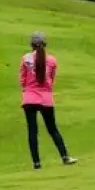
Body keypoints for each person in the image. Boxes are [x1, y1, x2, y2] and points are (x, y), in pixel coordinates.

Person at [20, 31, 78, 169]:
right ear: (45, 44)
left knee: (32, 131)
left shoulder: (26, 58)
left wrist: (29, 89)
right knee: (52, 129)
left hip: (29, 97)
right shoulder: (51, 60)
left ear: (31, 45)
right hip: (45, 98)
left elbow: (22, 80)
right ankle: (64, 156)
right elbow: (51, 80)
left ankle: (36, 162)